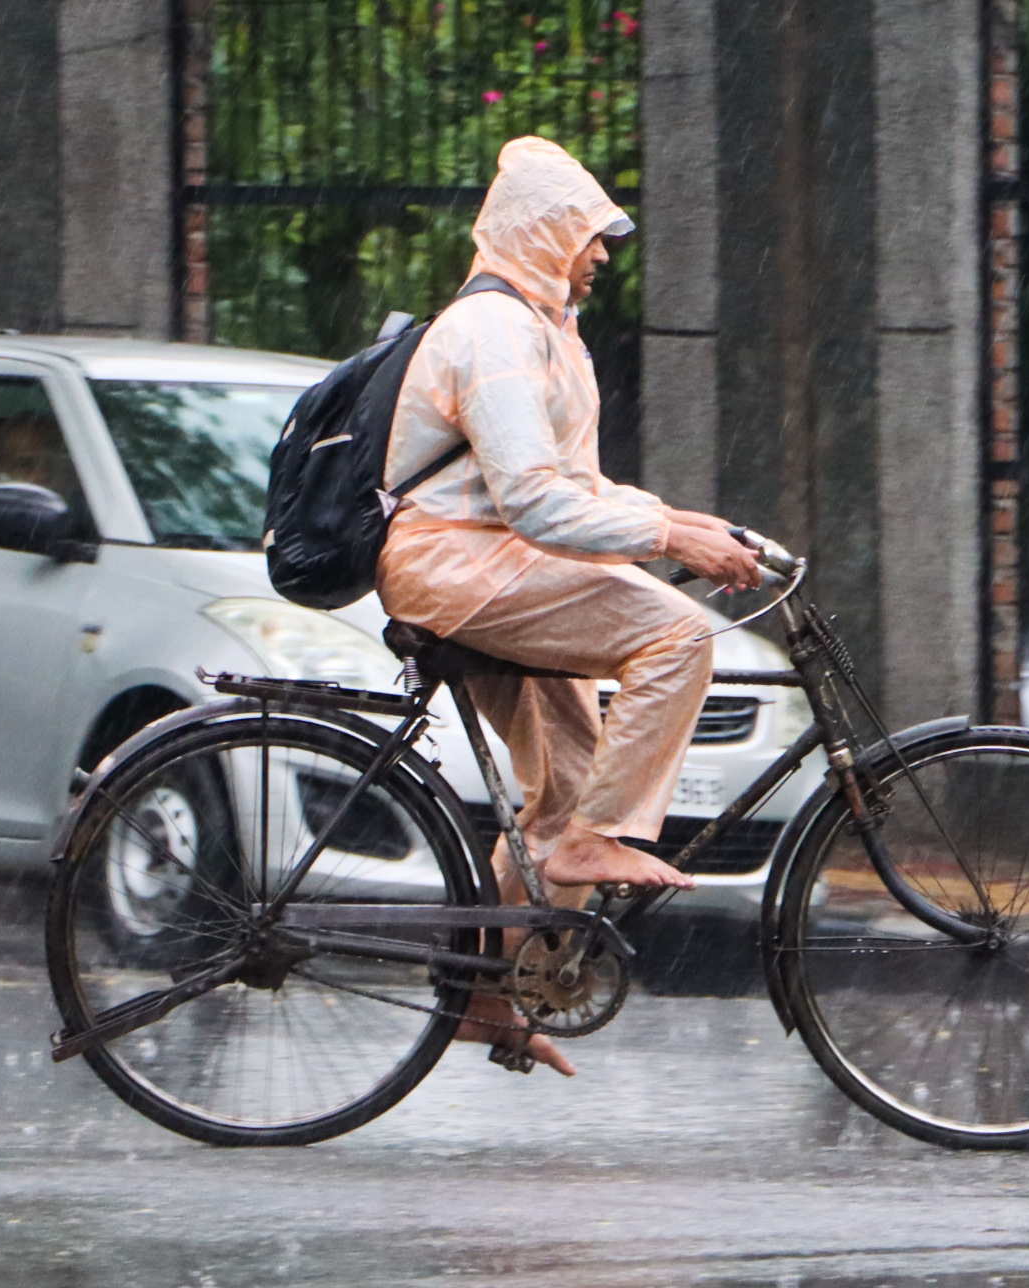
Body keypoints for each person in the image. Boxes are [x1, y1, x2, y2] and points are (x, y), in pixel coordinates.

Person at [377, 137, 762, 1075]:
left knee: (570, 780)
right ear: (544, 231)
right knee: (674, 632)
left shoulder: (544, 330)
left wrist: (675, 518)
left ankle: (480, 1000)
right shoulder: (493, 335)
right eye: (590, 235)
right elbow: (534, 503)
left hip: (498, 566)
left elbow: (571, 486)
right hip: (461, 568)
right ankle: (596, 840)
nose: (601, 254)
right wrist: (670, 540)